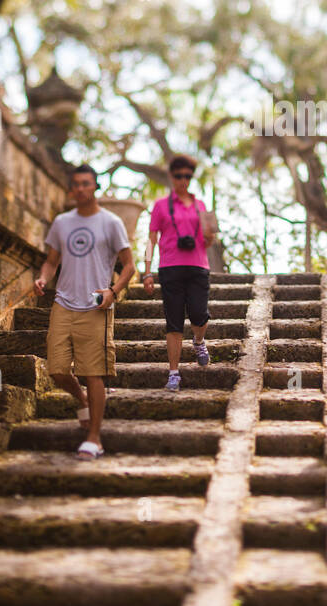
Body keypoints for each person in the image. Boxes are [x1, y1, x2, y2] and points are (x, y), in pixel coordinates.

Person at [34, 164, 135, 458]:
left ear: (95, 187)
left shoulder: (111, 222)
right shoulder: (62, 222)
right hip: (63, 302)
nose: (80, 189)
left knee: (94, 373)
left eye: (86, 183)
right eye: (76, 184)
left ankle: (94, 438)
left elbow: (129, 266)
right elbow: (52, 261)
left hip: (95, 305)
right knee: (56, 369)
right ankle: (81, 399)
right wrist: (43, 278)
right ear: (71, 190)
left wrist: (113, 292)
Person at [142, 154, 214, 391]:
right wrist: (147, 271)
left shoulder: (201, 205)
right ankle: (174, 372)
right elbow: (152, 239)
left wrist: (210, 234)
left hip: (198, 266)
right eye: (179, 176)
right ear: (171, 177)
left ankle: (199, 340)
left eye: (188, 176)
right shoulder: (161, 205)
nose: (183, 180)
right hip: (170, 267)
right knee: (173, 322)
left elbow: (209, 240)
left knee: (199, 314)